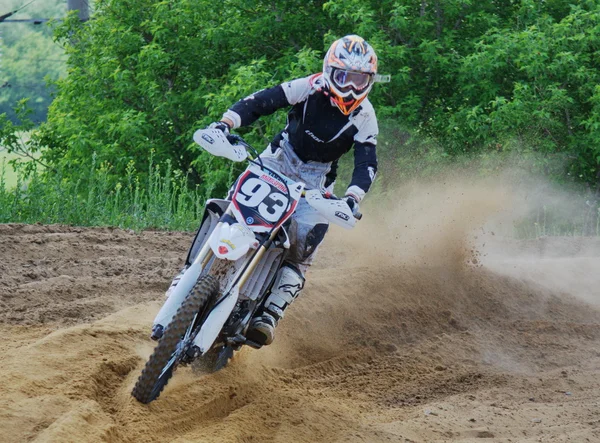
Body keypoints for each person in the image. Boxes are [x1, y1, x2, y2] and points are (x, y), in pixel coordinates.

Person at [158, 35, 382, 346]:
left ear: (369, 80)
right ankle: (188, 275)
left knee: (302, 248)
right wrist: (224, 124)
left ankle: (270, 313)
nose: (350, 87)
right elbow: (261, 101)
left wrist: (352, 198)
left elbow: (367, 162)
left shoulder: (365, 116)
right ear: (329, 71)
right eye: (343, 76)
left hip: (316, 184)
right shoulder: (309, 86)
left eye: (359, 79)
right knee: (231, 210)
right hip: (276, 161)